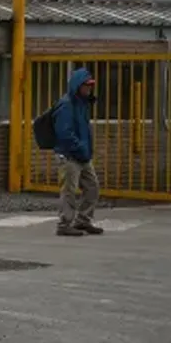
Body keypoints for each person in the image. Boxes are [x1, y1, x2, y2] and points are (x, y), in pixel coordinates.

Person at [52, 67, 102, 236]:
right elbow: (64, 133)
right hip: (69, 156)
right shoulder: (66, 105)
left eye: (90, 85)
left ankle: (83, 220)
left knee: (92, 187)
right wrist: (80, 148)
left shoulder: (82, 104)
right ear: (78, 86)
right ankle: (64, 223)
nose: (89, 88)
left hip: (82, 155)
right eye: (86, 85)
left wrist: (85, 150)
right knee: (69, 191)